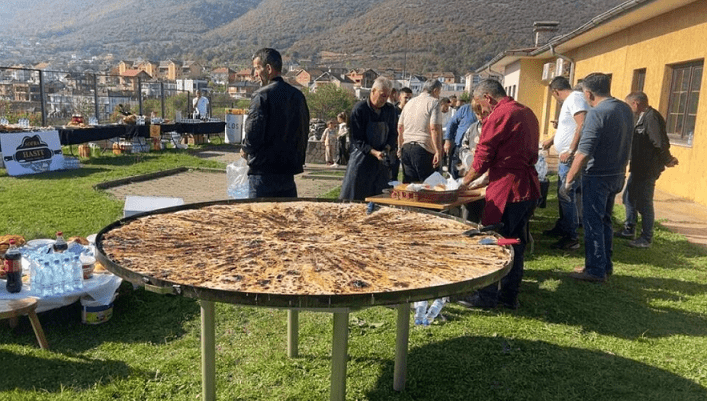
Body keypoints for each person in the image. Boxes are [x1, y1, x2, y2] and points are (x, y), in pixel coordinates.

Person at [456, 79, 541, 309]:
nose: (482, 112)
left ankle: (487, 296)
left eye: (481, 106)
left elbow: (483, 156)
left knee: (495, 240)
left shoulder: (500, 115)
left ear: (488, 98)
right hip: (527, 188)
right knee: (516, 241)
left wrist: (464, 183)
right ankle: (509, 296)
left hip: (509, 190)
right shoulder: (528, 112)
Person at [564, 73, 634, 282]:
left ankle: (595, 270)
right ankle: (605, 264)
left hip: (598, 176)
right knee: (605, 220)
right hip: (617, 174)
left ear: (588, 93)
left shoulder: (597, 113)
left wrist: (568, 180)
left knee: (593, 222)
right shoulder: (624, 109)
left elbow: (584, 152)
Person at [242, 48, 310, 198]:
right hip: (287, 175)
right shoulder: (297, 96)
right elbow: (304, 130)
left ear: (268, 69)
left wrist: (245, 149)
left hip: (262, 175)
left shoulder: (261, 95)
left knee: (261, 219)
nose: (255, 74)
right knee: (284, 220)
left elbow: (253, 133)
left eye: (257, 68)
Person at [617, 91, 679, 248]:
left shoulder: (652, 117)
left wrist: (667, 159)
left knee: (644, 202)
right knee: (628, 197)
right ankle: (629, 229)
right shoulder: (641, 117)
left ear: (635, 103)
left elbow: (659, 142)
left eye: (628, 105)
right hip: (638, 167)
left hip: (648, 168)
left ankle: (646, 238)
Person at [541, 76, 589, 250]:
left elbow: (582, 124)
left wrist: (570, 149)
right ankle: (563, 226)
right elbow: (568, 127)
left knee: (567, 194)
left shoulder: (575, 98)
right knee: (563, 193)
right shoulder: (571, 101)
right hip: (565, 157)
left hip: (570, 158)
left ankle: (571, 237)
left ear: (555, 91)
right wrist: (552, 140)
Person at [339, 77, 398, 200]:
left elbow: (393, 133)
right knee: (355, 199)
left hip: (381, 162)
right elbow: (357, 139)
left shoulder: (389, 110)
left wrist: (387, 148)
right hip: (361, 160)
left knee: (380, 200)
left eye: (387, 97)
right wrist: (373, 152)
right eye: (382, 95)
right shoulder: (359, 109)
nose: (384, 100)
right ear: (373, 91)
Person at [397, 79, 444, 183]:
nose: (439, 95)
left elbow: (400, 128)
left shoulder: (410, 103)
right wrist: (438, 151)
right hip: (423, 149)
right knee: (428, 186)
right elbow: (434, 128)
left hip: (407, 147)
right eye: (439, 92)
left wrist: (400, 147)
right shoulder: (434, 103)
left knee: (410, 186)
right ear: (435, 91)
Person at [444, 99, 479, 178]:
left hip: (476, 150)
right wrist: (448, 140)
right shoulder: (465, 109)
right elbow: (452, 123)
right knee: (454, 173)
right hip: (460, 147)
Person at [391, 87, 413, 181]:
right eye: (406, 98)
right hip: (395, 145)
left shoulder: (412, 112)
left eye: (410, 98)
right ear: (400, 97)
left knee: (408, 173)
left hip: (407, 144)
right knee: (393, 172)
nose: (408, 100)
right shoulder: (393, 111)